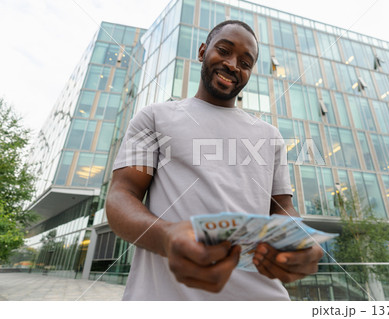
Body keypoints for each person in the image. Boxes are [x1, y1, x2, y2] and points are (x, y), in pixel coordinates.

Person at [106, 20, 323, 301]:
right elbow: (121, 194)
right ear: (202, 52)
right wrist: (167, 237)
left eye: (245, 63)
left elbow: (283, 209)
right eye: (224, 50)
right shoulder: (155, 117)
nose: (234, 65)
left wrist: (299, 241)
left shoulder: (270, 136)